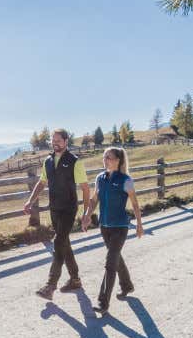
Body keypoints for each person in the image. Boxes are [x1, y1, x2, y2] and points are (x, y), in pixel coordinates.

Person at [23, 129, 90, 299]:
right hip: (54, 208)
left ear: (66, 141)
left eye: (58, 140)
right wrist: (30, 201)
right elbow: (41, 182)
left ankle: (51, 285)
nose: (55, 143)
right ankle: (75, 279)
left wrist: (86, 213)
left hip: (69, 209)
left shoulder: (75, 162)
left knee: (59, 242)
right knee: (63, 242)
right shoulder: (48, 161)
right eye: (53, 140)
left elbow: (85, 188)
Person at [86, 146, 144, 314]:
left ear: (118, 160)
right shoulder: (100, 178)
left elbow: (134, 204)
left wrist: (139, 225)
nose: (106, 160)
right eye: (104, 157)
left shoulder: (126, 180)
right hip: (104, 227)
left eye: (109, 158)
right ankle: (127, 285)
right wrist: (87, 215)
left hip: (120, 227)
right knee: (116, 257)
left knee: (110, 264)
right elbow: (94, 199)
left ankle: (103, 302)